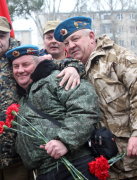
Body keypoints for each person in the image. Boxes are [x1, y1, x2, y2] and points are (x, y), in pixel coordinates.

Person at [0, 15, 86, 180]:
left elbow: (49, 62)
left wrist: (73, 67)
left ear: (8, 37)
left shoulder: (18, 55)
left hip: (17, 156)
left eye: (2, 36)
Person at [54, 16, 137, 180]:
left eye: (75, 39)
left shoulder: (118, 57)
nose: (71, 46)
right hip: (103, 163)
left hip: (131, 158)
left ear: (91, 37)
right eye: (67, 43)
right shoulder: (76, 68)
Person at [5, 44, 101, 180]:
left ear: (39, 64)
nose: (20, 70)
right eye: (16, 66)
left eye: (25, 64)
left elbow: (85, 109)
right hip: (46, 171)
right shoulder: (23, 98)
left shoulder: (56, 78)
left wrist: (65, 141)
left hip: (74, 166)